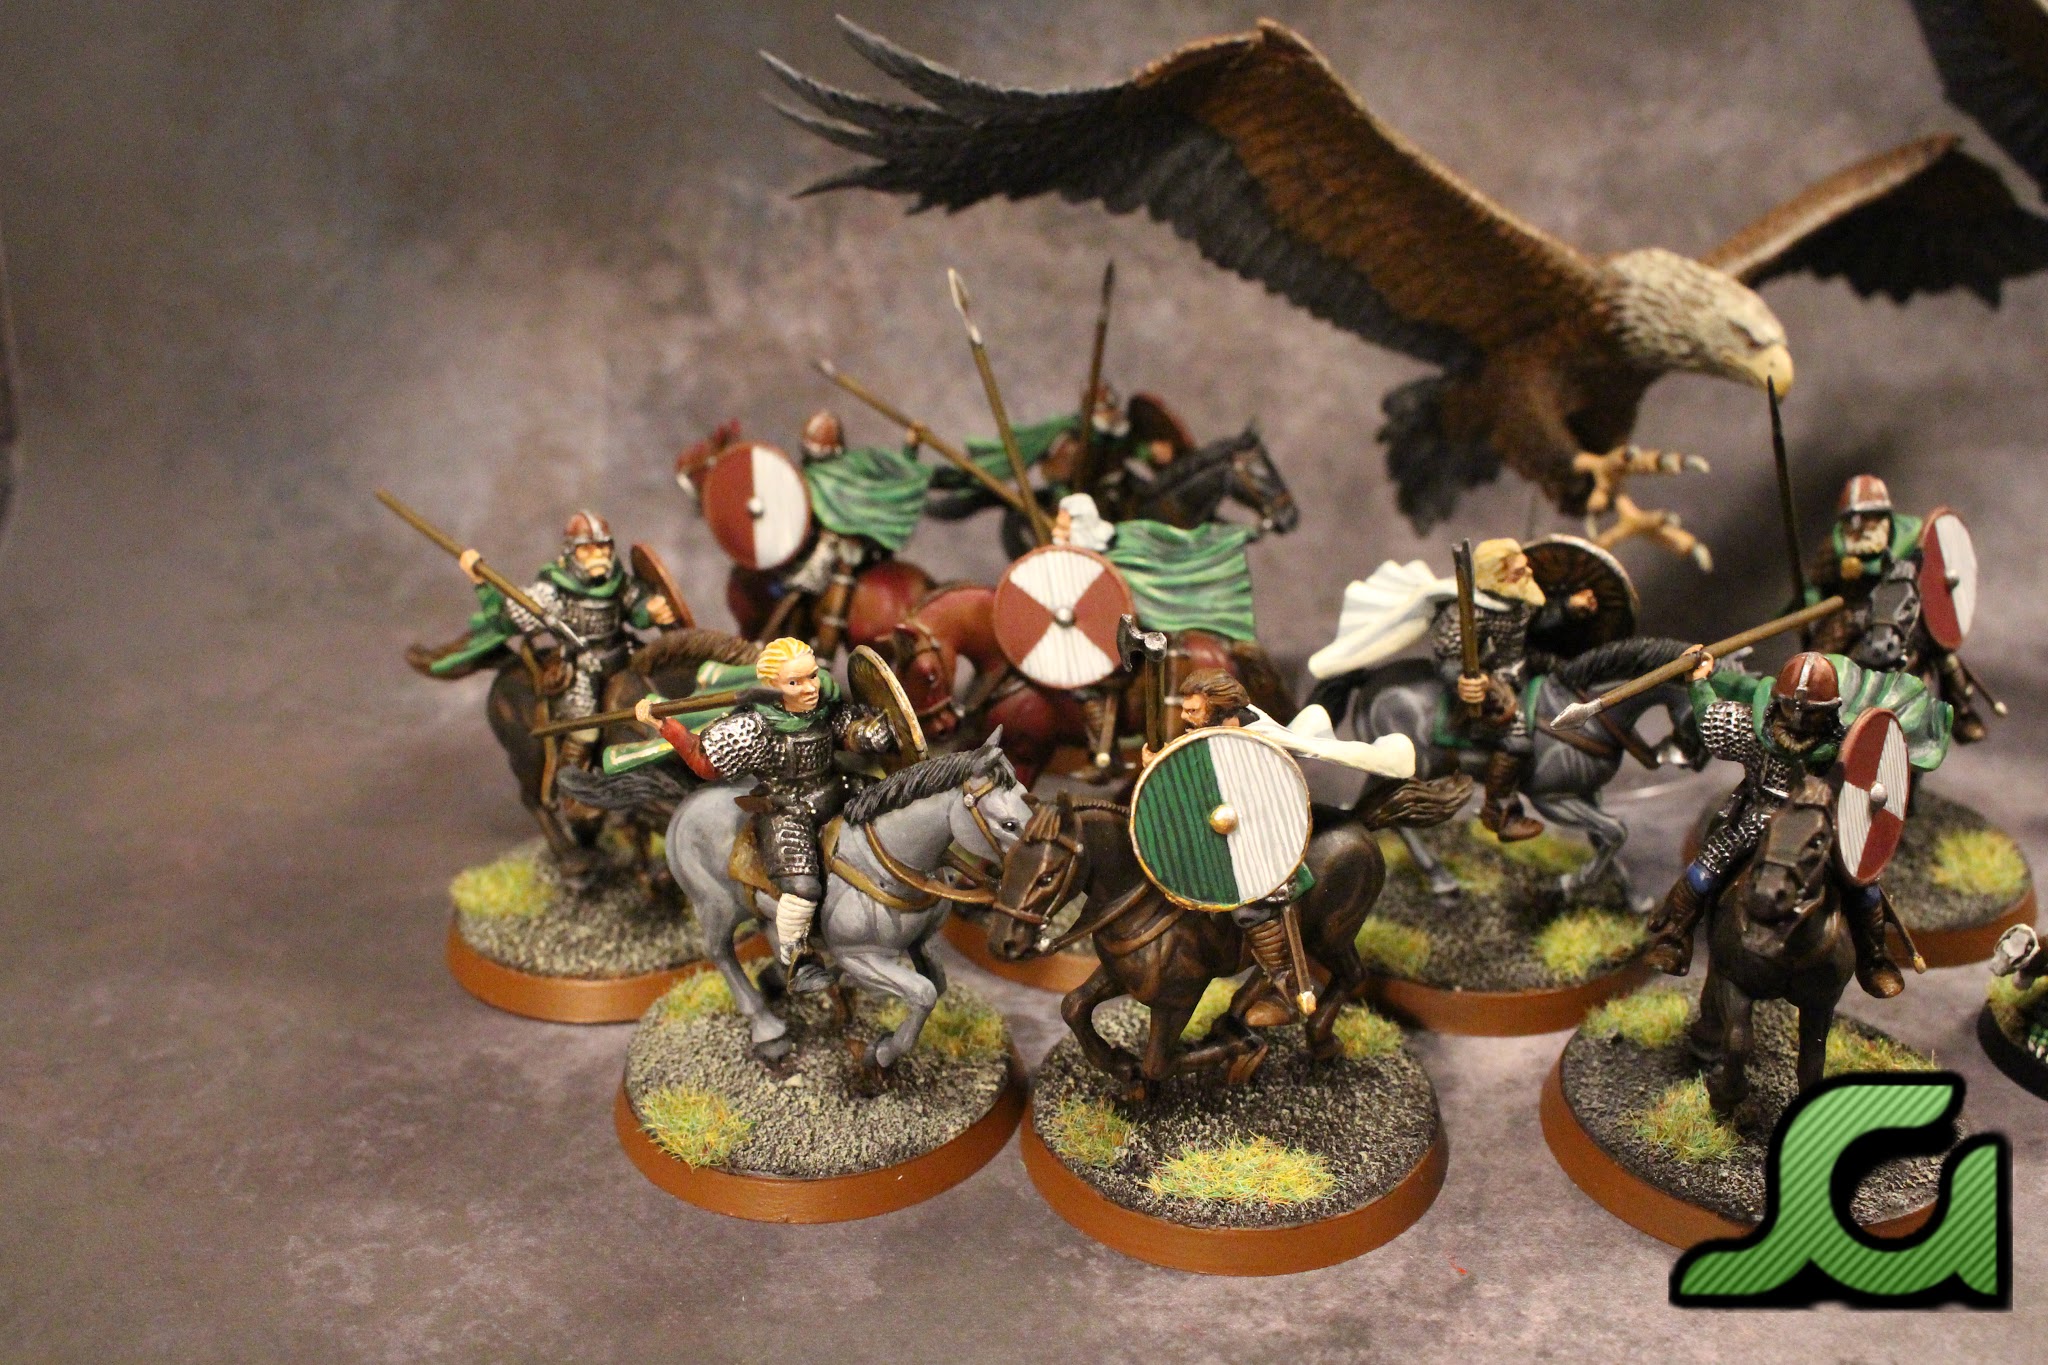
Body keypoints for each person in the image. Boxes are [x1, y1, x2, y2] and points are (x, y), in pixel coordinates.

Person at [1643, 649, 1951, 995]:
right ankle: (1674, 937)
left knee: (1864, 890)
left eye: (1812, 712)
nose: (1800, 719)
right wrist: (1699, 682)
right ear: (1778, 703)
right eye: (1792, 707)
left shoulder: (1843, 746)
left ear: (1830, 711)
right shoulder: (1752, 730)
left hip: (1819, 826)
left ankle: (1873, 957)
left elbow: (1869, 777)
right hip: (1759, 814)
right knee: (1706, 869)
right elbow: (1711, 721)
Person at [1141, 669, 1413, 1025]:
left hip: (1261, 834)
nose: (1184, 717)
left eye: (1193, 711)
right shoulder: (1224, 730)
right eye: (1185, 709)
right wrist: (1161, 763)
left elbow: (1241, 795)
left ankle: (1287, 989)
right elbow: (1203, 767)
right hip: (1227, 822)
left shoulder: (1256, 746)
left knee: (1252, 905)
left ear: (1225, 713)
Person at [636, 637, 896, 991]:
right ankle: (798, 958)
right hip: (787, 810)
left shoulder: (821, 706)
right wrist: (667, 727)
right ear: (772, 685)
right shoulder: (753, 727)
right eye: (795, 682)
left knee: (894, 809)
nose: (809, 688)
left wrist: (868, 734)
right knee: (801, 887)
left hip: (838, 787)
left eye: (812, 676)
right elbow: (704, 760)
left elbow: (845, 730)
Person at [413, 511, 677, 809]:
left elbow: (636, 610)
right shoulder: (553, 590)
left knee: (663, 694)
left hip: (625, 657)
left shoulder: (618, 581)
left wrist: (651, 611)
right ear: (571, 551)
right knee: (585, 728)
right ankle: (574, 792)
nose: (599, 555)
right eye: (588, 548)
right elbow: (508, 620)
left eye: (604, 547)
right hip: (581, 668)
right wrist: (481, 584)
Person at [1426, 539, 1597, 841]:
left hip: (1523, 664)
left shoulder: (1520, 599)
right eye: (1518, 570)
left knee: (1575, 677)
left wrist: (1569, 608)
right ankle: (1499, 812)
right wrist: (1465, 681)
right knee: (1516, 738)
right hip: (1490, 681)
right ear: (1496, 576)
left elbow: (1537, 623)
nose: (1527, 571)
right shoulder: (1468, 613)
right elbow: (1448, 658)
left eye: (1524, 566)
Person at [1805, 474, 1989, 744]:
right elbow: (1815, 586)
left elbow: (1934, 576)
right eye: (1854, 520)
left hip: (1898, 607)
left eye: (1872, 518)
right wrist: (1809, 609)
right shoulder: (1835, 547)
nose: (1863, 527)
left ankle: (1960, 711)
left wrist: (1939, 614)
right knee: (1815, 660)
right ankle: (1805, 712)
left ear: (1886, 517)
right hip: (1851, 609)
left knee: (1943, 654)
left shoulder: (1913, 538)